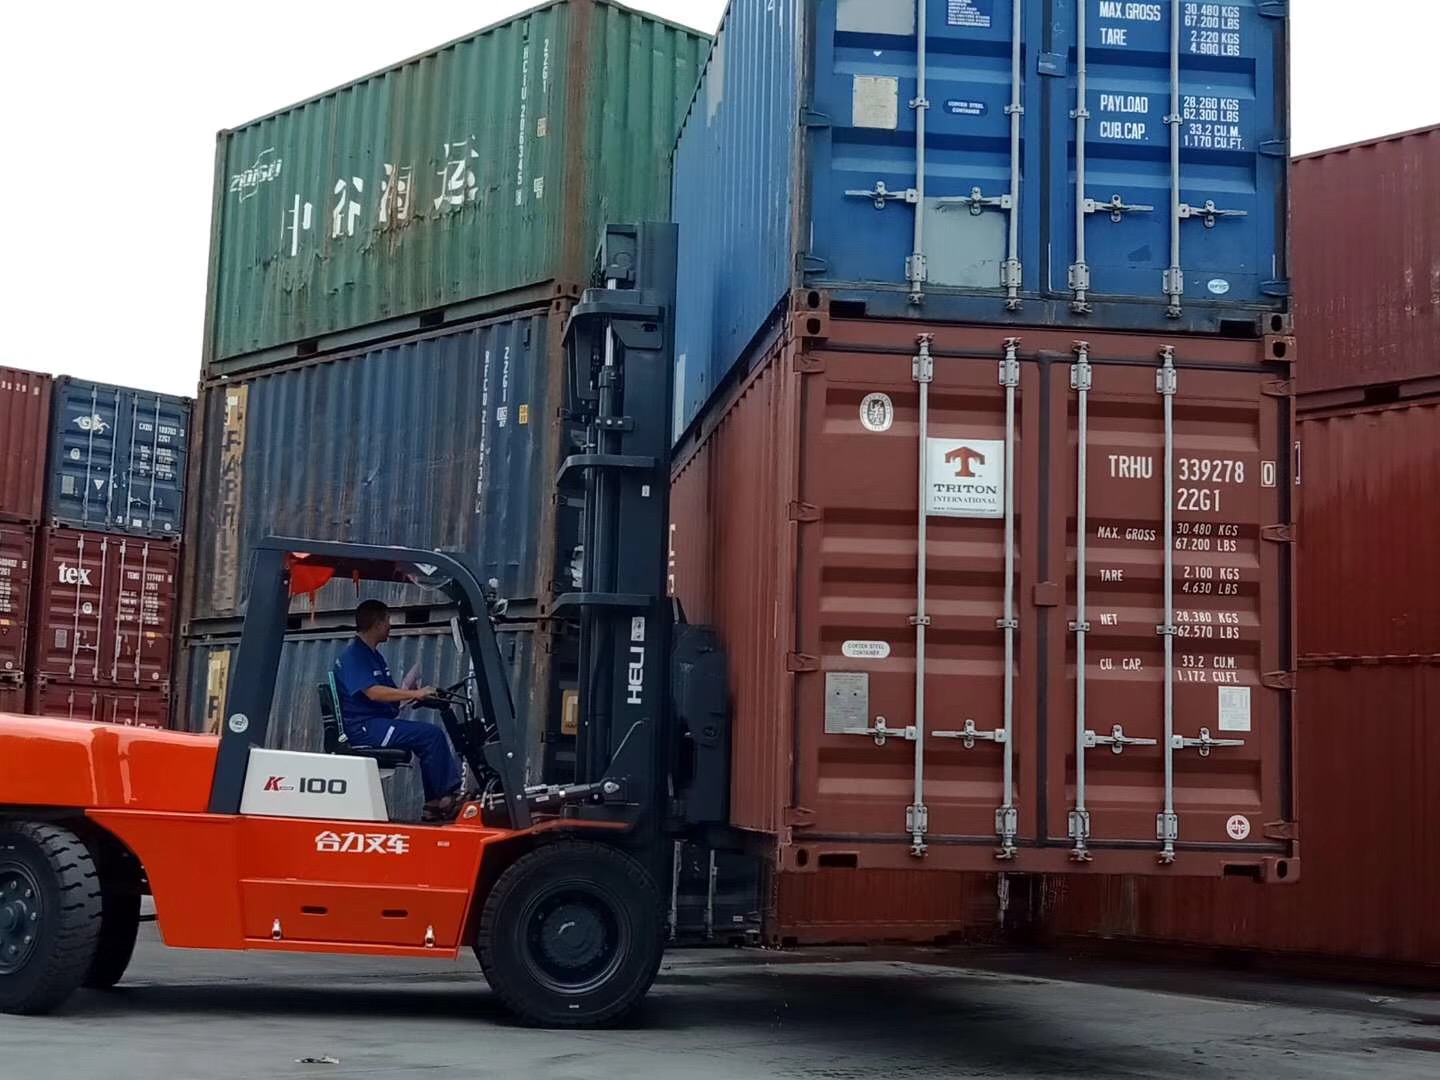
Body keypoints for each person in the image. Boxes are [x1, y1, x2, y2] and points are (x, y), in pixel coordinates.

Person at [335, 599, 464, 821]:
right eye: (387, 621)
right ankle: (445, 797)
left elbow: (388, 695)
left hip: (375, 722)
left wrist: (412, 694)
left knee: (427, 738)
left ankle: (434, 805)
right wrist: (416, 693)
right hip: (365, 729)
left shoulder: (373, 655)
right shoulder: (354, 656)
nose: (390, 626)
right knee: (430, 735)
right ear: (377, 624)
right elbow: (373, 692)